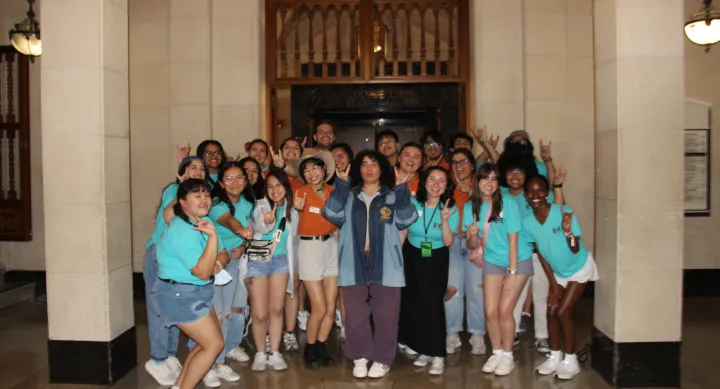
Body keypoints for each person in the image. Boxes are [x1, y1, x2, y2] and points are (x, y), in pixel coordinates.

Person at [322, 150, 418, 379]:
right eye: (363, 164)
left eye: (374, 163)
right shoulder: (349, 195)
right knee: (355, 314)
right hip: (352, 261)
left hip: (386, 262)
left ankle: (383, 359)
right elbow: (330, 212)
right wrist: (342, 186)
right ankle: (360, 356)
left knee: (386, 314)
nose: (368, 168)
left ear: (382, 168)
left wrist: (402, 189)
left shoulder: (393, 195)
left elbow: (406, 219)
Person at [152, 178, 228, 389]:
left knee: (206, 344)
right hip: (180, 295)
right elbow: (203, 272)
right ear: (183, 202)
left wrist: (217, 266)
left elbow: (224, 253)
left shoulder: (199, 222)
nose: (204, 200)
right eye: (197, 195)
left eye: (206, 194)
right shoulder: (182, 229)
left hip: (196, 293)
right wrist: (212, 240)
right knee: (213, 345)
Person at [523, 175, 598, 380]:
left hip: (578, 267)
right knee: (551, 311)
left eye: (540, 191)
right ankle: (555, 357)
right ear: (526, 195)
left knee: (563, 312)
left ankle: (571, 360)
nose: (536, 195)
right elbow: (542, 254)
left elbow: (575, 249)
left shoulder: (564, 212)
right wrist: (553, 284)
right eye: (531, 191)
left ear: (547, 193)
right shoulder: (528, 222)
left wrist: (567, 233)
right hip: (557, 272)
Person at [463, 163, 533, 376]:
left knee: (504, 310)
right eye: (486, 178)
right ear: (478, 181)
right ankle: (496, 352)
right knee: (490, 311)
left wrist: (511, 274)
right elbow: (472, 246)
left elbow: (514, 241)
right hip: (492, 260)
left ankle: (508, 356)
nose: (490, 183)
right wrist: (472, 234)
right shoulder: (469, 207)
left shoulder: (508, 204)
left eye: (494, 179)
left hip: (518, 260)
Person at [143, 157, 206, 386]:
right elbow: (169, 217)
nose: (197, 171)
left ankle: (169, 355)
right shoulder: (173, 190)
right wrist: (180, 187)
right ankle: (157, 359)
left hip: (174, 258)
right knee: (159, 309)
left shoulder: (199, 197)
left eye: (201, 169)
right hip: (159, 254)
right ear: (182, 171)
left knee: (172, 311)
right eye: (192, 168)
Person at [501, 155, 567, 353]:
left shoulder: (533, 195)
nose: (515, 176)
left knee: (540, 296)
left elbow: (558, 208)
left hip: (539, 253)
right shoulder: (502, 196)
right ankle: (510, 333)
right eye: (511, 172)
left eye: (520, 172)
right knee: (515, 296)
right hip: (518, 254)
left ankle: (542, 337)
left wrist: (558, 186)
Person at [398, 166, 457, 375]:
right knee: (416, 303)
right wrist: (397, 258)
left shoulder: (450, 208)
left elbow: (448, 241)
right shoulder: (413, 203)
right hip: (412, 256)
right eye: (432, 179)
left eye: (441, 181)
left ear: (446, 186)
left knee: (433, 304)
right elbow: (403, 230)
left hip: (436, 258)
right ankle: (424, 349)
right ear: (425, 182)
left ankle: (438, 354)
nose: (436, 184)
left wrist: (444, 220)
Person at [202, 162, 256, 382]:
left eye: (239, 177)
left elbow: (248, 232)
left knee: (234, 310)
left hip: (235, 261)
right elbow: (228, 221)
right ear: (221, 183)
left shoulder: (247, 203)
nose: (235, 183)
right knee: (218, 313)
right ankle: (212, 363)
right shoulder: (216, 204)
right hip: (217, 264)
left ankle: (226, 351)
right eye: (229, 179)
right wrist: (241, 231)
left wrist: (243, 245)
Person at [287, 151, 339, 369]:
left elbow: (338, 223)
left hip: (331, 246)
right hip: (309, 248)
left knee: (330, 305)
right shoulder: (300, 193)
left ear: (324, 170)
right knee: (318, 307)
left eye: (315, 167)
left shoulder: (334, 192)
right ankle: (309, 346)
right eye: (306, 170)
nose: (311, 173)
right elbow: (292, 223)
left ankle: (321, 345)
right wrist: (296, 210)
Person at [246, 169, 298, 372]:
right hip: (257, 260)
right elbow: (260, 226)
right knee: (259, 313)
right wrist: (267, 222)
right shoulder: (260, 206)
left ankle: (275, 352)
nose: (275, 190)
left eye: (279, 185)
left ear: (286, 186)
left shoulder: (293, 210)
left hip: (280, 261)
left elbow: (293, 241)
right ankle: (260, 352)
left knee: (277, 309)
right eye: (270, 186)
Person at [444, 149, 488, 356]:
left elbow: (492, 207)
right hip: (452, 242)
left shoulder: (483, 186)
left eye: (463, 162)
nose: (458, 166)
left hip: (476, 243)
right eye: (454, 162)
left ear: (472, 165)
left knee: (476, 291)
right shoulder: (446, 186)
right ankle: (452, 333)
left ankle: (477, 334)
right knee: (452, 290)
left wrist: (472, 193)